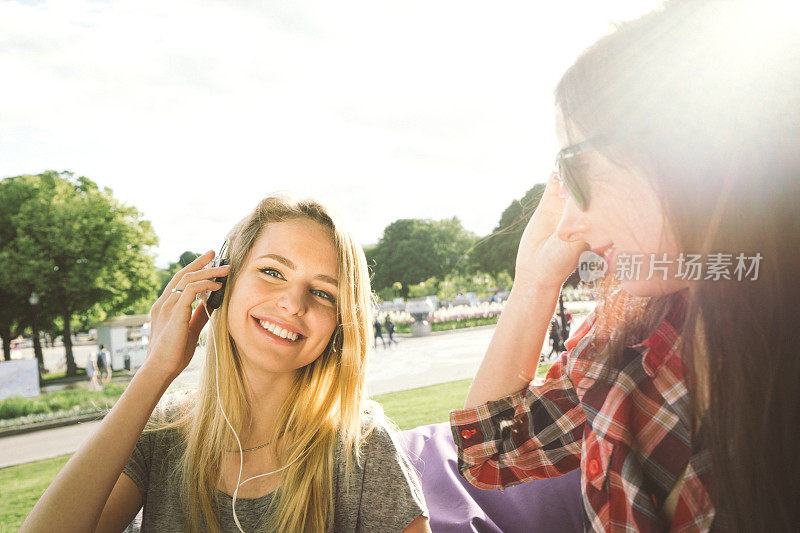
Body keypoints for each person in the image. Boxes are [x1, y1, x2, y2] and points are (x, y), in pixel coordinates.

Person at [451, 1, 799, 531]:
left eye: (575, 168)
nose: (566, 227)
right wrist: (534, 282)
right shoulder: (621, 341)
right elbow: (492, 453)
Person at [22, 195, 429, 532]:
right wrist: (154, 373)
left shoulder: (364, 450)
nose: (292, 302)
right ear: (220, 285)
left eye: (323, 293)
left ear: (341, 325)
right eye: (272, 271)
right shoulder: (161, 432)